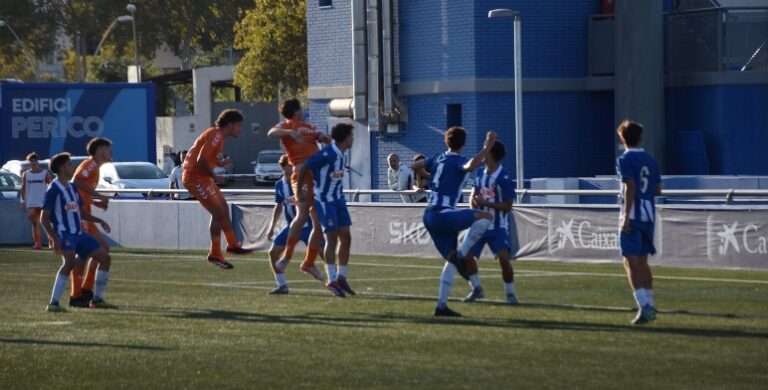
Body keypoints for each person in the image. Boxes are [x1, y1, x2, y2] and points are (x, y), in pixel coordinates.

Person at [412, 127, 496, 317]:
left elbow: (415, 166)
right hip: (444, 214)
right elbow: (471, 166)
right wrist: (487, 147)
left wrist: (430, 176)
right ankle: (463, 251)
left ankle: (445, 305)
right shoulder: (457, 161)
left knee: (453, 259)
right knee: (486, 217)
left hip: (429, 215)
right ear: (463, 143)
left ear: (446, 141)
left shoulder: (438, 158)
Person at [41, 152, 116, 311]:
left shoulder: (73, 187)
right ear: (61, 168)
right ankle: (53, 303)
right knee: (69, 263)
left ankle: (97, 299)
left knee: (105, 258)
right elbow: (44, 217)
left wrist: (99, 220)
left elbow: (79, 212)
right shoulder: (53, 189)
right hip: (64, 233)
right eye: (69, 165)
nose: (72, 167)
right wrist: (53, 238)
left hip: (80, 234)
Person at [268, 98, 331, 281]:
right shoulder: (286, 125)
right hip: (302, 174)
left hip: (317, 176)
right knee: (302, 214)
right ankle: (287, 256)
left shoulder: (309, 126)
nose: (303, 111)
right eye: (301, 109)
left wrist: (324, 138)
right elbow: (271, 133)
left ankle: (309, 263)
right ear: (296, 111)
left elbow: (320, 136)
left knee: (319, 223)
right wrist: (289, 132)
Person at [183, 109, 253, 269]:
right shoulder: (216, 135)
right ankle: (215, 253)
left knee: (223, 207)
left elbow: (206, 159)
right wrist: (215, 176)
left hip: (202, 177)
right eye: (239, 125)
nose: (240, 129)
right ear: (231, 124)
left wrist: (220, 164)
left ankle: (232, 245)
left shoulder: (218, 136)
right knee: (218, 212)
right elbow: (201, 160)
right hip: (194, 178)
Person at [296, 123, 356, 297]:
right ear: (345, 138)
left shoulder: (342, 155)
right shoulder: (327, 154)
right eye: (351, 136)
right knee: (332, 238)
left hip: (339, 199)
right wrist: (300, 190)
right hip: (324, 201)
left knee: (346, 236)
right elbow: (305, 167)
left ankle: (341, 277)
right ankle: (331, 280)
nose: (353, 139)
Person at [461, 141, 519, 305]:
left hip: (497, 225)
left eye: (486, 150)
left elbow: (508, 206)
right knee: (466, 255)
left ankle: (510, 294)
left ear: (491, 155)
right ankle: (477, 288)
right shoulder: (480, 174)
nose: (482, 153)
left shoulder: (503, 177)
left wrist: (486, 204)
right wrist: (473, 203)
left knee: (503, 258)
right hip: (479, 224)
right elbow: (475, 194)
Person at [616, 120, 662, 325]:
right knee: (642, 262)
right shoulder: (650, 160)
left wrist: (626, 216)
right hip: (648, 215)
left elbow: (630, 187)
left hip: (633, 216)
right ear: (640, 138)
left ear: (622, 138)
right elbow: (658, 190)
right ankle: (650, 303)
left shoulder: (624, 159)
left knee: (630, 262)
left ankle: (644, 306)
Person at [265, 155, 325, 294]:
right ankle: (282, 285)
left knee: (325, 254)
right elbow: (279, 206)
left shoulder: (303, 181)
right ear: (282, 168)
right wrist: (271, 227)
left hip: (308, 226)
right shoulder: (279, 185)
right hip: (292, 226)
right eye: (287, 167)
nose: (290, 169)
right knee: (273, 253)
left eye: (292, 166)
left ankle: (335, 280)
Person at [71, 138, 114, 305]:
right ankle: (81, 293)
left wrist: (95, 202)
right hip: (80, 216)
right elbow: (77, 182)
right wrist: (99, 196)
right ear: (99, 151)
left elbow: (81, 191)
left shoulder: (95, 167)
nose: (110, 152)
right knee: (92, 253)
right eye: (108, 149)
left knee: (99, 251)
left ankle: (84, 291)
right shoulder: (91, 165)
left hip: (83, 212)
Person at [19, 152, 53, 250]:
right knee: (35, 223)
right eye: (31, 161)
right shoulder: (26, 174)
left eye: (35, 161)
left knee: (47, 223)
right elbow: (23, 188)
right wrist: (22, 201)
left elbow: (50, 185)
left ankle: (51, 243)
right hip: (31, 203)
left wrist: (51, 199)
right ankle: (38, 244)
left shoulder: (44, 173)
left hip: (44, 202)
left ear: (37, 162)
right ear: (29, 163)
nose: (33, 163)